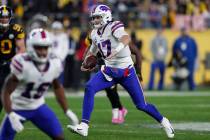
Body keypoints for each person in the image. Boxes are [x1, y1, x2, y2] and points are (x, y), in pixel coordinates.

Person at [67, 4, 174, 138]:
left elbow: (126, 38)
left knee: (141, 105)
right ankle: (84, 126)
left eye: (98, 18)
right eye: (93, 18)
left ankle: (164, 121)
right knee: (89, 87)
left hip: (126, 72)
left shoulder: (114, 26)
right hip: (109, 71)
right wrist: (87, 61)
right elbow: (93, 50)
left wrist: (117, 50)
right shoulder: (94, 33)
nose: (94, 21)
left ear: (106, 16)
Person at [0, 28, 79, 140]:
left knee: (59, 137)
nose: (43, 51)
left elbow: (57, 87)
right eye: (39, 47)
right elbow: (6, 91)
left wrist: (67, 110)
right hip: (18, 107)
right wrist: (11, 114)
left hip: (38, 107)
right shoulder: (22, 63)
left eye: (45, 47)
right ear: (31, 47)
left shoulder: (54, 63)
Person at [0, 5, 25, 114]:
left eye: (6, 17)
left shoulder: (16, 29)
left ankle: (12, 115)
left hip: (9, 65)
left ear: (10, 17)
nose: (4, 19)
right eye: (2, 17)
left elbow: (22, 48)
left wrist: (13, 61)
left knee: (7, 91)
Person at [50, 21, 69, 85]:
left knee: (60, 73)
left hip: (60, 58)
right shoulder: (50, 35)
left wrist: (61, 57)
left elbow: (65, 48)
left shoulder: (64, 36)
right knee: (50, 73)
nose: (56, 30)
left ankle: (60, 86)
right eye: (55, 29)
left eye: (57, 29)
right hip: (51, 58)